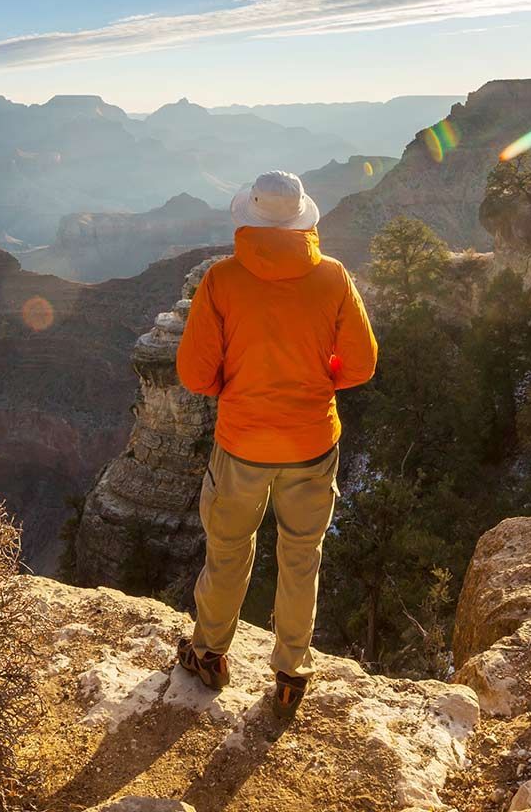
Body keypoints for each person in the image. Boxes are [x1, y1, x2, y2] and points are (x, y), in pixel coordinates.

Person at [172, 169, 378, 715]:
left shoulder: (222, 280)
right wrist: (317, 378)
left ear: (251, 216)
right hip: (312, 444)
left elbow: (195, 374)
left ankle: (210, 652)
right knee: (301, 556)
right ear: (302, 219)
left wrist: (234, 389)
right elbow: (359, 364)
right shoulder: (333, 277)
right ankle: (291, 671)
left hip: (241, 444)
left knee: (228, 551)